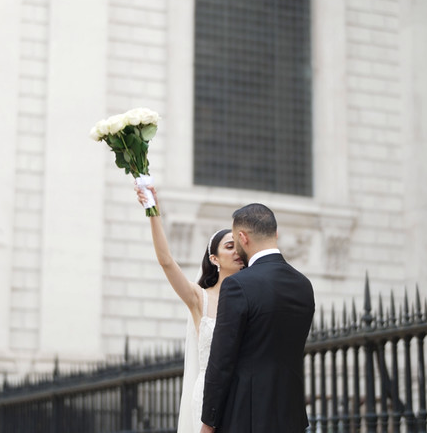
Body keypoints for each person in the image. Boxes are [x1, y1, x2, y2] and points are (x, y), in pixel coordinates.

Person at [135, 184, 244, 433]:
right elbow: (166, 261)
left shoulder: (251, 297)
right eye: (229, 246)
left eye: (239, 246)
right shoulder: (198, 298)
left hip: (242, 396)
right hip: (207, 399)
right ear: (214, 259)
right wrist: (153, 213)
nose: (236, 252)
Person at [200, 203, 316, 433]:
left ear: (243, 238)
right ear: (276, 233)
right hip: (291, 417)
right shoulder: (304, 285)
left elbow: (221, 360)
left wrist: (208, 421)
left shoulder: (237, 285)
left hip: (246, 417)